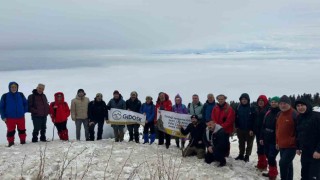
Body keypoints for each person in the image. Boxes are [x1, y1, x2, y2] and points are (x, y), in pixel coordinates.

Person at [295, 98, 320, 180]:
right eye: (298, 106)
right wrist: (298, 147)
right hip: (305, 151)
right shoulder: (299, 118)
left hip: (316, 152)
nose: (300, 107)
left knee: (314, 175)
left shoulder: (317, 116)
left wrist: (318, 150)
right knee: (304, 174)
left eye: (302, 105)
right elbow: (299, 133)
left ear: (307, 105)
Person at [276, 95, 298, 180]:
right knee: (288, 164)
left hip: (291, 146)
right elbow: (277, 128)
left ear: (289, 104)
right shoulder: (279, 114)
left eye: (284, 103)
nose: (282, 105)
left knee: (283, 163)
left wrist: (295, 141)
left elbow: (299, 130)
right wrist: (277, 142)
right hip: (282, 145)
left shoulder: (294, 114)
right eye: (280, 103)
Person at [0, 82, 28, 147]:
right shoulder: (5, 96)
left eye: (15, 87)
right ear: (9, 87)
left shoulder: (21, 95)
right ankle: (11, 143)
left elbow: (25, 103)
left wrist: (23, 111)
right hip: (10, 117)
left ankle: (23, 141)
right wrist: (3, 116)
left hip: (20, 117)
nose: (13, 88)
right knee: (10, 131)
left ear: (17, 87)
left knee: (22, 130)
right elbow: (1, 107)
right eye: (12, 87)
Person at [260, 96, 281, 180]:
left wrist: (278, 140)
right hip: (266, 138)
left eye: (275, 102)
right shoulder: (268, 112)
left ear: (278, 103)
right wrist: (261, 137)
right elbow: (263, 126)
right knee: (268, 155)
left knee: (272, 156)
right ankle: (271, 172)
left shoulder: (280, 113)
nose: (273, 103)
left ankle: (273, 174)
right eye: (272, 102)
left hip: (275, 139)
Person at [234, 93, 256, 162]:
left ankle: (247, 156)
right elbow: (236, 118)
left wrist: (252, 129)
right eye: (242, 99)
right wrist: (236, 126)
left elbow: (254, 119)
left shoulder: (252, 107)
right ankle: (241, 155)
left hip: (249, 130)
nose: (244, 100)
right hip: (240, 129)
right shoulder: (238, 107)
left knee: (249, 143)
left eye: (245, 99)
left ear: (248, 100)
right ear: (240, 100)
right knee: (241, 143)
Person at [255, 95, 270, 171]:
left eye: (262, 101)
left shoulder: (268, 110)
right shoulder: (258, 109)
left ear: (265, 102)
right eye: (259, 101)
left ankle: (263, 165)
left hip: (264, 132)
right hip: (258, 132)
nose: (260, 102)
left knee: (262, 149)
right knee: (259, 148)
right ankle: (260, 163)